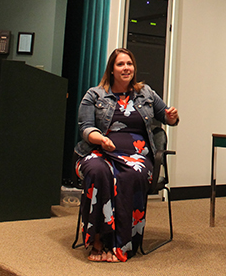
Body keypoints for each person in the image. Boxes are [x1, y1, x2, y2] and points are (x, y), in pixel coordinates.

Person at [75, 48, 179, 262]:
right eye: (120, 64)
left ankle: (120, 243)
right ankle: (97, 239)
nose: (126, 68)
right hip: (99, 151)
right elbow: (85, 128)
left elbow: (168, 118)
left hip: (137, 157)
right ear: (111, 70)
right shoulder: (94, 95)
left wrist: (171, 117)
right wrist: (101, 139)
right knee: (96, 171)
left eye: (129, 64)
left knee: (130, 175)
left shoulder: (146, 93)